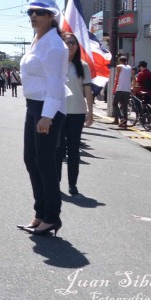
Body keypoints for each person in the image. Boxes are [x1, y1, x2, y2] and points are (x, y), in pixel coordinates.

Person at [18, 0, 68, 237]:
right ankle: (40, 213)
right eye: (31, 12)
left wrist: (47, 116)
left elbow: (56, 83)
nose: (34, 16)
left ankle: (52, 216)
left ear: (52, 16)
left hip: (48, 108)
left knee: (45, 163)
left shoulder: (55, 45)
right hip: (34, 106)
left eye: (39, 12)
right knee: (31, 159)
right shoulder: (38, 39)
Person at [59, 33, 93, 196]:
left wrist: (90, 112)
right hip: (58, 112)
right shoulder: (56, 63)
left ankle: (73, 184)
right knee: (58, 149)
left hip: (77, 112)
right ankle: (55, 182)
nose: (71, 45)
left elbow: (87, 89)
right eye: (68, 42)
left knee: (73, 150)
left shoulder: (83, 65)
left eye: (74, 43)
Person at [111, 55, 133, 129]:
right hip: (127, 89)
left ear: (120, 61)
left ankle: (122, 118)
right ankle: (124, 123)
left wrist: (114, 89)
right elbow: (133, 77)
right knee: (125, 106)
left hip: (120, 88)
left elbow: (116, 79)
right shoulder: (130, 67)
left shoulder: (119, 67)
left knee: (114, 104)